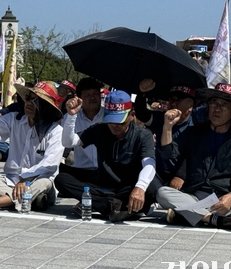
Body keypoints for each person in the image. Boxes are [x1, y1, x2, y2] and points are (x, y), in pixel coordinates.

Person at [156, 83, 231, 232]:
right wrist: (167, 127)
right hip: (193, 196)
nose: (217, 109)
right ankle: (213, 219)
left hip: (223, 199)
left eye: (224, 105)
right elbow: (168, 155)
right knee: (163, 193)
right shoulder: (193, 132)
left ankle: (187, 214)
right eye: (213, 103)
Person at [55, 91, 156, 222]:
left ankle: (98, 204)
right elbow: (69, 142)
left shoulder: (142, 135)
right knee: (62, 179)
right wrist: (71, 116)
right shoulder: (100, 130)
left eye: (120, 122)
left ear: (131, 115)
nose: (115, 126)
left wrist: (140, 187)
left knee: (152, 189)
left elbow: (150, 164)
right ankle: (109, 205)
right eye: (111, 121)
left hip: (128, 187)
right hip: (102, 185)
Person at [0, 81, 64, 213]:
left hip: (37, 181)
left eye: (35, 101)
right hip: (12, 181)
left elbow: (49, 165)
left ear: (45, 106)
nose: (29, 103)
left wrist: (26, 179)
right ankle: (30, 199)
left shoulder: (56, 131)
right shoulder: (14, 119)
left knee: (45, 183)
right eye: (28, 99)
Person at [59, 77, 104, 169]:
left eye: (95, 94)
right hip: (82, 171)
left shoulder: (109, 115)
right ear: (79, 98)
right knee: (61, 178)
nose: (92, 98)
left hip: (105, 171)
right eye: (87, 95)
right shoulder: (71, 117)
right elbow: (67, 143)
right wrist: (71, 115)